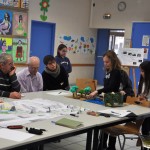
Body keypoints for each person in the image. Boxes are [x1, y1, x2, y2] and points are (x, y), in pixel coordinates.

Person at [88, 50, 122, 150]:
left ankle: (111, 146)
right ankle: (101, 145)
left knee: (111, 125)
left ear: (113, 61)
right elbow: (107, 86)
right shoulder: (108, 71)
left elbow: (111, 87)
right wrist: (101, 94)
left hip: (114, 101)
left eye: (107, 62)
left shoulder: (116, 72)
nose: (105, 63)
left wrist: (98, 91)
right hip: (108, 99)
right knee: (104, 124)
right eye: (104, 61)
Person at [137, 61, 150, 150]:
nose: (141, 73)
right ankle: (145, 147)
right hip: (144, 110)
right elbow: (141, 94)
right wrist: (140, 97)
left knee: (146, 129)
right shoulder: (143, 81)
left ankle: (146, 147)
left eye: (143, 71)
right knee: (144, 130)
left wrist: (146, 100)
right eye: (140, 71)